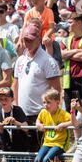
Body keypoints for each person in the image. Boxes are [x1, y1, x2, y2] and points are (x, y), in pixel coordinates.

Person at [12, 23, 61, 151]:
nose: (27, 43)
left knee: (39, 152)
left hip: (40, 114)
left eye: (30, 40)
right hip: (22, 114)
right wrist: (15, 107)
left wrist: (50, 113)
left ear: (39, 40)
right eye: (25, 40)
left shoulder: (48, 61)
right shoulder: (20, 60)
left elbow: (56, 90)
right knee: (23, 152)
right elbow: (15, 85)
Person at [34, 89, 72, 162]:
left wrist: (63, 125)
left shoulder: (63, 114)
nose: (45, 105)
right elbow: (38, 121)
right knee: (37, 161)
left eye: (48, 102)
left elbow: (74, 121)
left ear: (57, 102)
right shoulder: (43, 112)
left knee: (46, 160)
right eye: (44, 102)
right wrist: (39, 125)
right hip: (47, 143)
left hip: (59, 144)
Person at [0, 87, 29, 152]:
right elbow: (0, 133)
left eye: (6, 99)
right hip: (6, 148)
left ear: (12, 99)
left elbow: (26, 128)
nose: (3, 101)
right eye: (1, 99)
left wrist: (15, 122)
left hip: (21, 147)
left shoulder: (18, 110)